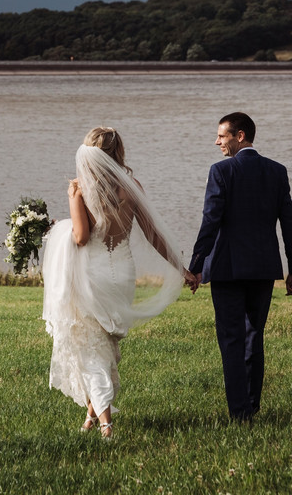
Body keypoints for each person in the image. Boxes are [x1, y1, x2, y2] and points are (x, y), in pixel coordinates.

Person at [41, 127, 191, 439]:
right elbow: (152, 235)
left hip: (92, 274)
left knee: (90, 347)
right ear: (118, 153)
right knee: (102, 344)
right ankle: (90, 417)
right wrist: (181, 267)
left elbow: (81, 238)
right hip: (122, 272)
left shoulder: (80, 189)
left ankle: (106, 425)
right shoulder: (132, 187)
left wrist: (57, 230)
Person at [185, 112, 292, 423]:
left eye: (221, 136)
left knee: (231, 339)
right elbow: (288, 223)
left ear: (240, 136)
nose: (217, 142)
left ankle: (240, 413)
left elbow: (211, 220)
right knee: (254, 337)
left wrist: (196, 265)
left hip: (226, 268)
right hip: (264, 268)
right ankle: (251, 406)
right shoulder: (277, 171)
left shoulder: (221, 171)